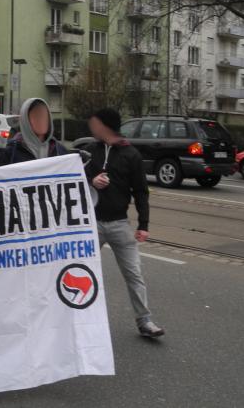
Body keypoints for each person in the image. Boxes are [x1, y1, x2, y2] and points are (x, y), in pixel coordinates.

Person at [85, 108, 164, 338]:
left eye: (95, 123)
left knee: (134, 274)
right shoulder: (91, 151)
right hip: (93, 224)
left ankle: (145, 321)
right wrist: (91, 180)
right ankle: (79, 319)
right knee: (83, 271)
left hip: (120, 223)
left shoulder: (131, 155)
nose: (92, 128)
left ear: (106, 126)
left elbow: (141, 192)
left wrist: (143, 224)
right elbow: (75, 178)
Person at [0, 98, 68, 165]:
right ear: (25, 121)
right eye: (36, 116)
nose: (41, 121)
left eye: (44, 116)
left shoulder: (60, 150)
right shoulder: (11, 153)